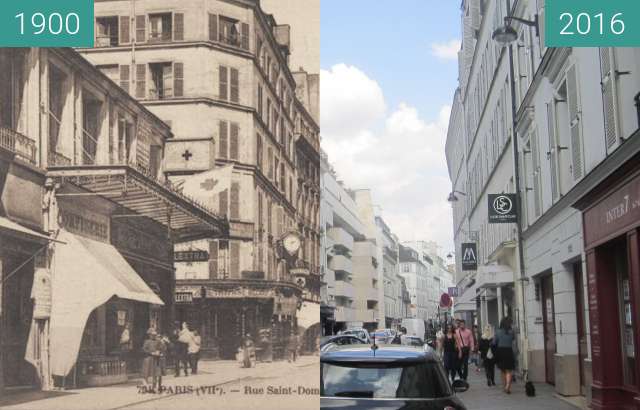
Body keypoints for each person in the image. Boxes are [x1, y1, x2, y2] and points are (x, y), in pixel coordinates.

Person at [494, 317, 516, 394]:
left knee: (502, 370)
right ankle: (508, 387)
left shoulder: (498, 332)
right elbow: (513, 339)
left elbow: (494, 342)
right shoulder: (512, 332)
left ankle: (504, 387)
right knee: (509, 370)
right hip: (509, 351)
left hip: (501, 352)